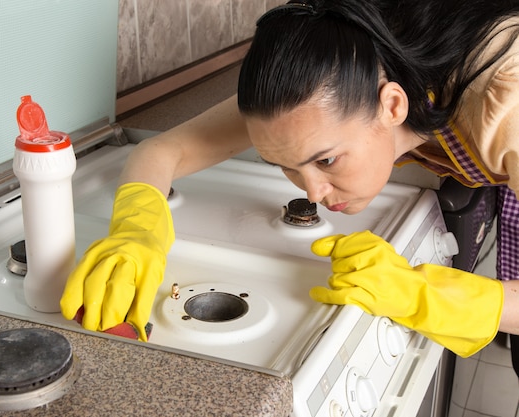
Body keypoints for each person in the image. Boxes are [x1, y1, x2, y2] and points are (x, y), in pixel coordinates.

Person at [60, 0, 519, 364]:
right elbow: (161, 151)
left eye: (327, 160)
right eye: (288, 167)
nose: (312, 193)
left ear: (393, 106)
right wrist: (137, 232)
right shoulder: (338, 78)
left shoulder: (506, 103)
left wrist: (427, 296)